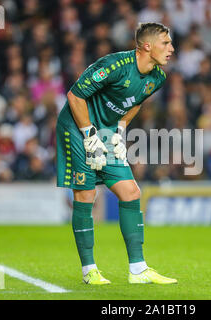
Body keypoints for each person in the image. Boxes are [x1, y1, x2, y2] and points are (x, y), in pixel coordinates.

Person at [56, 22, 177, 285]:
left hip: (108, 129)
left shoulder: (158, 77)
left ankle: (138, 269)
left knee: (131, 192)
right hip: (78, 126)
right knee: (86, 193)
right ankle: (89, 270)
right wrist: (89, 134)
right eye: (166, 43)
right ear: (147, 46)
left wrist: (120, 128)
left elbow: (135, 102)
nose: (171, 48)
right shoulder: (114, 66)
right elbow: (75, 97)